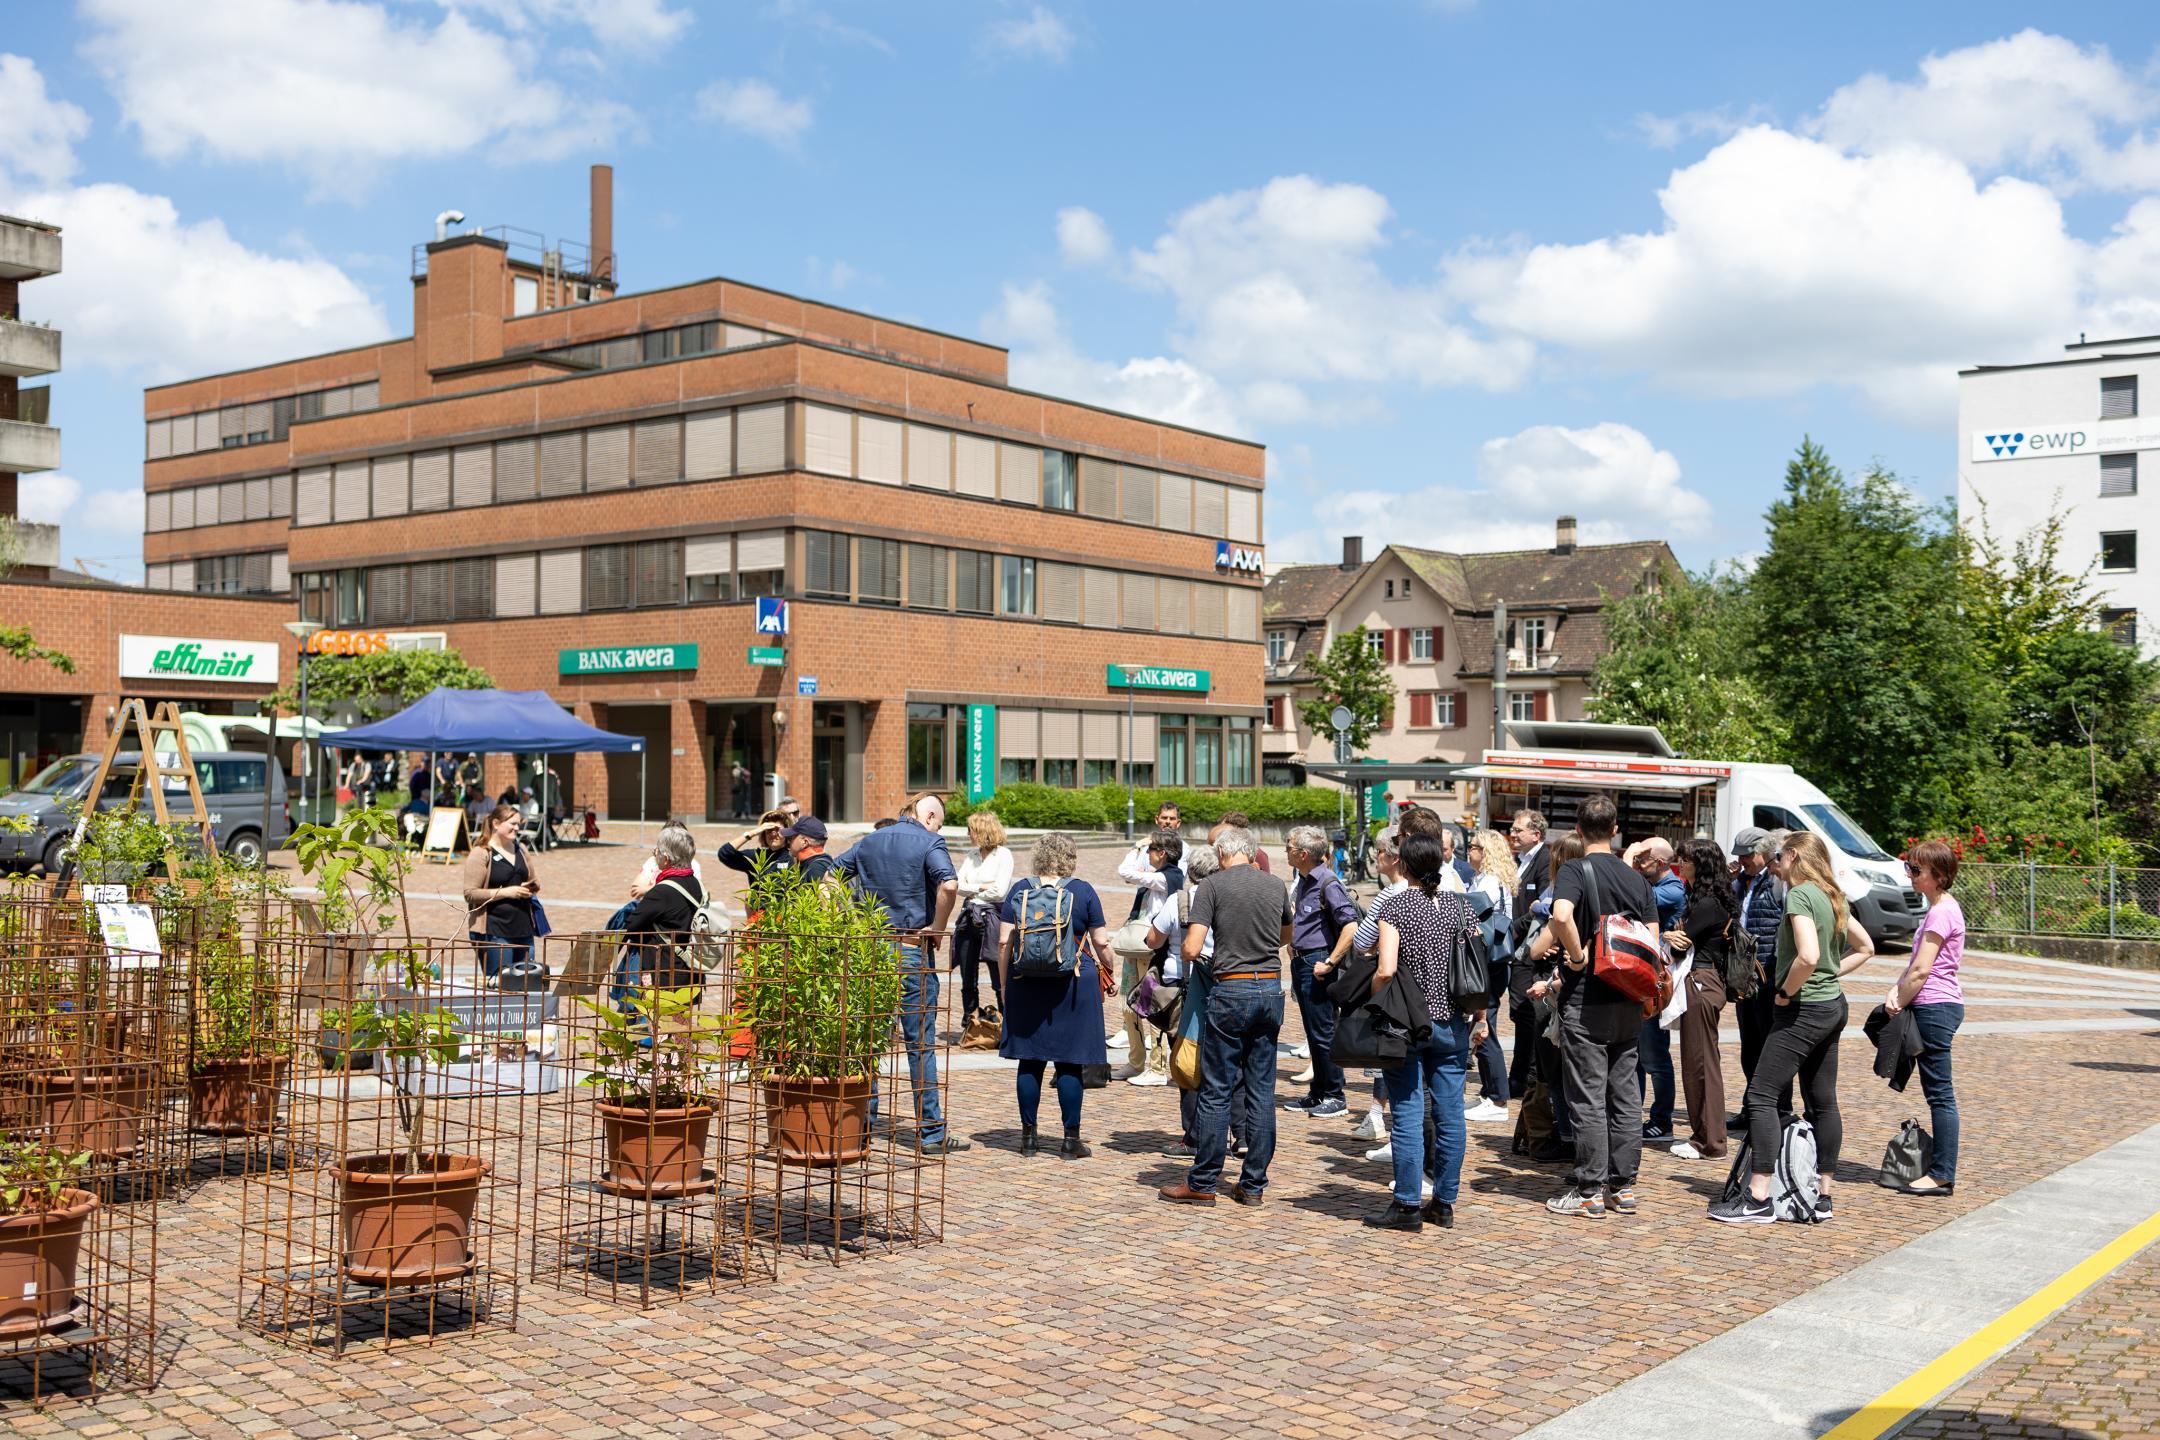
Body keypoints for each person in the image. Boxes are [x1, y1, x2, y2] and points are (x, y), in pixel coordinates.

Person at [1711, 831, 1874, 1224]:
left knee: (1761, 1097)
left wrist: (1785, 991)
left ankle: (1759, 1197)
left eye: (1778, 854)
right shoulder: (1833, 895)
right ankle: (1822, 1197)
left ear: (1796, 855)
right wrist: (1830, 976)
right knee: (1823, 1101)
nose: (1772, 860)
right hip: (1832, 1005)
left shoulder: (1800, 895)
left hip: (1802, 1009)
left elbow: (1809, 955)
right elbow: (1866, 947)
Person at [1159, 826, 1292, 1207]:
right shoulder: (1275, 885)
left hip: (1230, 988)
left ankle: (1202, 1181)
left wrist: (1202, 954)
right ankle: (1252, 1185)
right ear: (1250, 853)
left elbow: (1192, 947)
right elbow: (1286, 935)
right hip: (1269, 988)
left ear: (1221, 855)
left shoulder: (1211, 888)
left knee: (1217, 1088)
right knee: (1261, 1090)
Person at [1542, 793, 1656, 1220]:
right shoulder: (1637, 880)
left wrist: (1574, 955)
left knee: (1588, 1097)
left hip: (1587, 997)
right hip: (1628, 996)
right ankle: (1623, 1187)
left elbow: (1561, 914)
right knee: (1625, 1095)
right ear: (1614, 830)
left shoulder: (1575, 869)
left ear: (1577, 829)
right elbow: (1653, 941)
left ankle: (1590, 1188)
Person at [835, 792, 969, 1155]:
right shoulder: (929, 841)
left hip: (871, 951)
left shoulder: (870, 841)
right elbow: (950, 884)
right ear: (927, 816)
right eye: (938, 822)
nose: (937, 828)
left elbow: (829, 876)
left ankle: (862, 1124)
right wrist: (938, 927)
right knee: (920, 1045)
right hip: (911, 949)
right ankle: (930, 1133)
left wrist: (848, 920)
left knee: (869, 1042)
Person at [1362, 833, 1481, 1231]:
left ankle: (1408, 1203)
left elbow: (1386, 968)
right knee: (1451, 1116)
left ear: (1405, 866)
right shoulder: (1462, 908)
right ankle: (1444, 1202)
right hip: (1452, 1022)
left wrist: (1374, 1002)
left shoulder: (1397, 907)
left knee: (1409, 1112)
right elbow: (1478, 969)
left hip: (1408, 1024)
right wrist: (1480, 1017)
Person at [998, 833, 1114, 1159]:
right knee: (1069, 1064)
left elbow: (1005, 943)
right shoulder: (1083, 891)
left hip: (1025, 981)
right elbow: (1102, 942)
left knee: (1029, 1062)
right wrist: (1110, 968)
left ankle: (1029, 1139)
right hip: (1073, 983)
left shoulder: (1020, 889)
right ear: (1070, 858)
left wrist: (1006, 984)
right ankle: (1070, 1141)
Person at [1885, 838, 1964, 1196]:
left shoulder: (1941, 911)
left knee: (1940, 1095)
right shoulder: (1939, 908)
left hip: (1935, 1006)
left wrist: (1898, 1000)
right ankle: (1939, 1169)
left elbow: (1922, 968)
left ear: (1940, 874)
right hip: (1934, 1004)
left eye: (1917, 869)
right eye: (1909, 867)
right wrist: (1896, 989)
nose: (1910, 874)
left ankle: (1942, 1173)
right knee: (1938, 1092)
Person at [1319, 830, 1405, 1155]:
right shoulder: (1442, 892)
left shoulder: (1388, 898)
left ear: (1393, 857)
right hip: (1430, 995)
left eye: (1380, 851)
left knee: (1392, 1060)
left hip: (1392, 989)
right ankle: (1390, 1128)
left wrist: (1373, 988)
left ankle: (1399, 1139)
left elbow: (1362, 940)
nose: (1376, 857)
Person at [1150, 845, 1238, 1155]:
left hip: (1184, 983)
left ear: (1190, 872)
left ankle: (1193, 1135)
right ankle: (1235, 1132)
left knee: (1188, 1059)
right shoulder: (1228, 896)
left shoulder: (1181, 899)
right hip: (1225, 979)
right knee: (1227, 1058)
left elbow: (1153, 939)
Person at [1668, 838, 1737, 1162]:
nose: (1680, 864)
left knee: (1701, 1066)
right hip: (1703, 982)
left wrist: (1670, 935)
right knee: (1699, 1064)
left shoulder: (1708, 903)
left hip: (1701, 982)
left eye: (1686, 859)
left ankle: (1709, 1142)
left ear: (1702, 864)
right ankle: (1705, 1136)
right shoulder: (1705, 898)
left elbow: (1682, 942)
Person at [1284, 825, 1357, 1119]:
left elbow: (1350, 926)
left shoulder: (1328, 882)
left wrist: (1330, 961)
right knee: (1313, 1032)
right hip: (1302, 962)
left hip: (1317, 964)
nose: (1285, 850)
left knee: (1324, 1031)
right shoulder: (1303, 880)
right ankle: (1318, 1092)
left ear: (1302, 854)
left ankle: (1335, 1095)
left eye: (1289, 847)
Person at [1521, 832, 1587, 1162]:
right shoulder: (1597, 894)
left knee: (1553, 1072)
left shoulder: (1562, 901)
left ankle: (1565, 1136)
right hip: (1588, 994)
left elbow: (1535, 949)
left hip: (1556, 992)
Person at [1113, 818, 1184, 1081]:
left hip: (1155, 950)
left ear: (1162, 853)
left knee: (1151, 1005)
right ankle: (1135, 1061)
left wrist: (1135, 847)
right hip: (1139, 944)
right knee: (1128, 1005)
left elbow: (1127, 872)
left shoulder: (1168, 877)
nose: (1147, 853)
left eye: (1151, 849)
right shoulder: (1158, 875)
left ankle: (1157, 1067)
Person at [1627, 837, 1685, 1142]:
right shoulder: (1653, 883)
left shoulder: (1672, 889)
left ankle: (1662, 1121)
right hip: (1639, 978)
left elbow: (1633, 899)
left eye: (1643, 857)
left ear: (1659, 862)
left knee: (1655, 1057)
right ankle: (1630, 1115)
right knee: (1634, 1054)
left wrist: (1626, 859)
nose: (1637, 861)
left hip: (1655, 981)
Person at [1734, 827, 1794, 1118]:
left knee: (1770, 1046)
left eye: (1747, 855)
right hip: (1746, 976)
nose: (1742, 860)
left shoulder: (1777, 882)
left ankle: (1779, 1110)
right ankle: (1752, 1106)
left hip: (1768, 975)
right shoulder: (1746, 881)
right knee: (1750, 1046)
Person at [615, 823, 708, 1003]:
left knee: (662, 1027)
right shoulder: (696, 885)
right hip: (689, 970)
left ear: (665, 858)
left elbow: (632, 925)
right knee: (681, 1028)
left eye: (656, 851)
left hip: (664, 973)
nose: (655, 854)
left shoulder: (661, 891)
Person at [1464, 828, 1519, 1124]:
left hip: (1489, 963)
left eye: (1474, 847)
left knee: (1486, 1027)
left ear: (1486, 852)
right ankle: (1489, 1092)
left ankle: (1498, 1100)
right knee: (1481, 1024)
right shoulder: (1485, 879)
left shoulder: (1488, 881)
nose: (1468, 851)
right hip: (1493, 963)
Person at [461, 803, 540, 983]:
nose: (517, 828)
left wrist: (530, 888)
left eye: (519, 824)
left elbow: (535, 879)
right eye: (512, 824)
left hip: (523, 929)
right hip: (494, 930)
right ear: (496, 824)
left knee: (527, 985)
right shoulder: (481, 852)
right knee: (499, 986)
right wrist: (506, 892)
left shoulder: (521, 849)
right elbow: (470, 893)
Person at [954, 811, 1014, 1035]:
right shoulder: (971, 855)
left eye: (970, 829)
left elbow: (1000, 891)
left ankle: (1006, 1023)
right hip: (969, 918)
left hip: (991, 919)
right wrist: (981, 886)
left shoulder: (1004, 855)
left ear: (982, 830)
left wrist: (973, 886)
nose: (968, 834)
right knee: (967, 973)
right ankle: (971, 1022)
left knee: (998, 972)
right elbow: (958, 885)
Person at [1507, 810, 1551, 1098]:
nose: (1512, 833)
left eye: (1518, 830)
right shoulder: (1518, 861)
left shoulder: (1544, 860)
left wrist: (1514, 927)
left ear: (1536, 834)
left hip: (1531, 947)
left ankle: (1527, 1078)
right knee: (1519, 1013)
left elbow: (1544, 906)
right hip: (1518, 947)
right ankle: (1520, 1076)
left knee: (1527, 1013)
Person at [718, 808, 791, 877]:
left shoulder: (793, 857)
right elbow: (725, 854)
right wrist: (753, 832)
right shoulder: (757, 857)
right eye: (769, 830)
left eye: (778, 830)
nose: (773, 834)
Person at [782, 815, 837, 883]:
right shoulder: (814, 863)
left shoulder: (816, 869)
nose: (788, 841)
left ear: (804, 842)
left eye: (791, 838)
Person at [1215, 810, 1272, 874]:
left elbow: (1265, 880)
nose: (1219, 832)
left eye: (1223, 829)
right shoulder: (1219, 849)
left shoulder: (1258, 855)